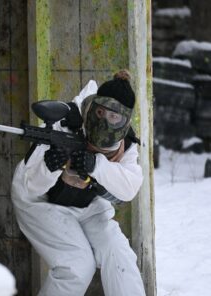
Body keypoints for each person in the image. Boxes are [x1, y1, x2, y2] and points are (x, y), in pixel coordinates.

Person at [11, 70, 146, 296]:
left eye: (114, 118)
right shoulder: (67, 123)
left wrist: (96, 166)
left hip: (86, 205)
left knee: (119, 253)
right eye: (101, 112)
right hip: (39, 202)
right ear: (93, 107)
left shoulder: (126, 144)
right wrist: (49, 167)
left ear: (124, 122)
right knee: (77, 265)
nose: (105, 120)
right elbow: (30, 185)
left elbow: (130, 187)